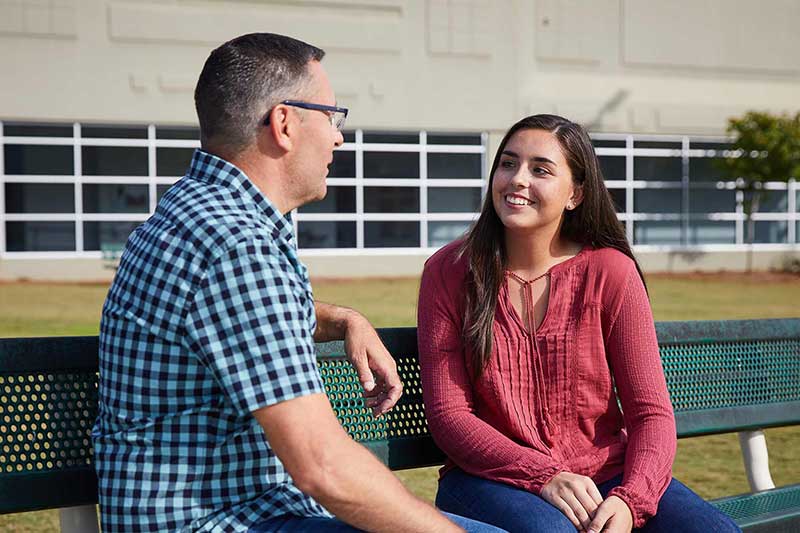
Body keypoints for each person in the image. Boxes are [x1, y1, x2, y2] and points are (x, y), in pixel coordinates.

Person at [93, 32, 504, 533]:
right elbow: (322, 467)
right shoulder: (235, 244)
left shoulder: (201, 210)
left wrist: (340, 318)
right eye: (332, 117)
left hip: (249, 510)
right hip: (220, 521)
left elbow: (225, 316)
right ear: (284, 123)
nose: (339, 137)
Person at [417, 114, 742, 533]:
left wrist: (631, 500)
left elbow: (650, 414)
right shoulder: (450, 271)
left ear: (576, 193)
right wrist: (542, 475)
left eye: (540, 170)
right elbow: (450, 417)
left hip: (605, 473)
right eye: (508, 163)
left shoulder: (610, 272)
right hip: (488, 478)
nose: (517, 179)